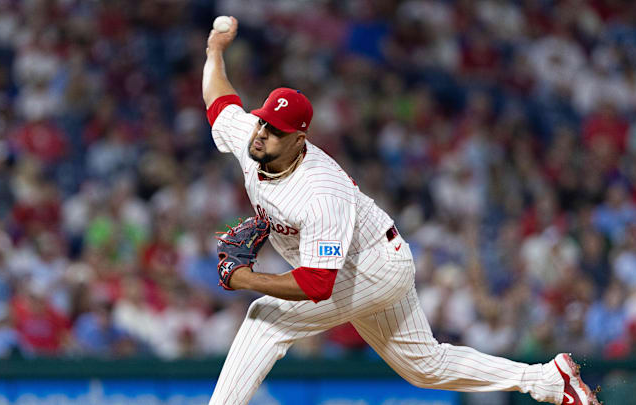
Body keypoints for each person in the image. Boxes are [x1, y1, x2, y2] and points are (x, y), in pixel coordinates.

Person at [201, 17, 601, 405]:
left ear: (299, 138)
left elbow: (317, 285)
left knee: (266, 318)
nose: (263, 133)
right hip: (369, 260)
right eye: (263, 123)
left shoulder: (320, 191)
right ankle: (548, 380)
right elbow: (220, 101)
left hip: (371, 265)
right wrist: (215, 51)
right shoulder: (252, 136)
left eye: (275, 130)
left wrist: (248, 279)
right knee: (424, 367)